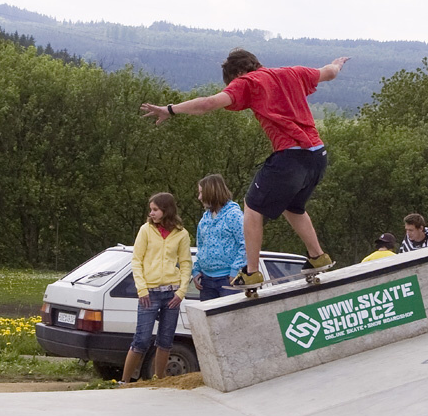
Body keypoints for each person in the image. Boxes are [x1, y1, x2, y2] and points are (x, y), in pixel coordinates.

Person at [140, 48, 350, 286]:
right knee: (292, 207)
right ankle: (317, 256)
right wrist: (337, 64)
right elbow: (329, 73)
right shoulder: (292, 72)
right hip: (317, 156)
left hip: (290, 156)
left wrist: (169, 109)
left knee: (252, 206)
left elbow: (208, 104)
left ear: (238, 73)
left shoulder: (248, 82)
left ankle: (251, 272)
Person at [121, 192, 192, 384]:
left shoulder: (182, 234)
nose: (151, 213)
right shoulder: (145, 230)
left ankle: (159, 380)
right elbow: (136, 261)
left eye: (155, 210)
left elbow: (186, 263)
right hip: (149, 294)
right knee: (141, 340)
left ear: (166, 210)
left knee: (166, 340)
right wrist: (142, 289)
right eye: (150, 210)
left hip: (171, 293)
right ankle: (124, 382)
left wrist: (181, 291)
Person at [192, 174, 245, 300]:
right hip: (206, 280)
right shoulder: (204, 219)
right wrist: (196, 269)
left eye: (202, 193)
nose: (199, 197)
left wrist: (236, 270)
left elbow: (246, 244)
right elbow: (201, 246)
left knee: (229, 313)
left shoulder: (234, 216)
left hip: (228, 279)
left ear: (211, 192)